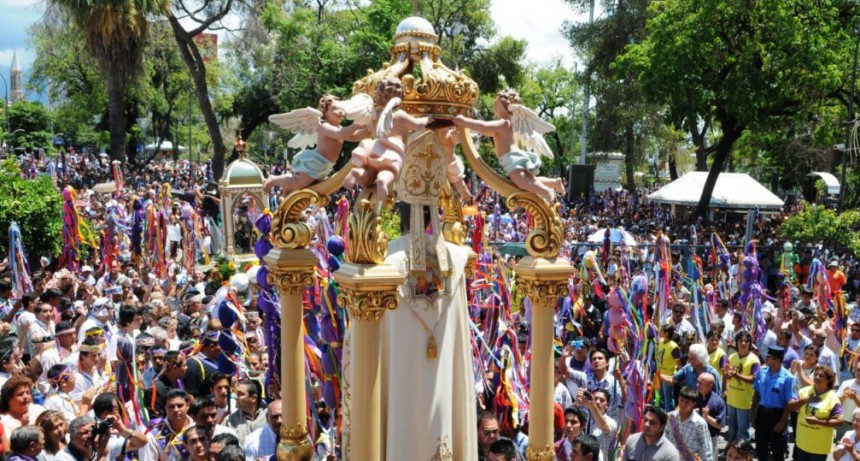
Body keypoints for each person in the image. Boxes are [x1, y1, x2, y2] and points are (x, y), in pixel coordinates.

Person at [452, 88, 564, 202]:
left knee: (523, 182)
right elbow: (482, 130)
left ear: (506, 105)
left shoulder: (503, 122)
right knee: (529, 180)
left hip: (512, 159)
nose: (493, 105)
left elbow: (484, 127)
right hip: (513, 157)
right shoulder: (510, 122)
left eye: (496, 103)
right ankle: (553, 183)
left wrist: (465, 121)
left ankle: (547, 192)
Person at [344, 75, 433, 203]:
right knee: (389, 171)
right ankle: (383, 181)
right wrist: (427, 118)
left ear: (378, 95)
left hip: (373, 149)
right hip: (391, 151)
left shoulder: (373, 116)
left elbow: (361, 133)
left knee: (369, 173)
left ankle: (356, 173)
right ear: (400, 96)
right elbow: (418, 125)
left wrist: (346, 135)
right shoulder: (399, 115)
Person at [264, 94, 367, 194]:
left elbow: (355, 137)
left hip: (325, 165)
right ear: (324, 112)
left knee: (306, 185)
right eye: (335, 108)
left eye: (341, 108)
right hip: (316, 162)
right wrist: (356, 125)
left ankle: (287, 189)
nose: (340, 111)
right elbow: (341, 134)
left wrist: (368, 128)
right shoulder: (324, 127)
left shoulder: (339, 127)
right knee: (297, 183)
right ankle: (273, 180)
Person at [788, 364, 843, 461]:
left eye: (821, 376)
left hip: (819, 448)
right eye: (816, 375)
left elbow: (839, 421)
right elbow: (790, 406)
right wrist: (806, 400)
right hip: (802, 443)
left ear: (828, 380)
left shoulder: (833, 398)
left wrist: (818, 421)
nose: (817, 377)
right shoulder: (804, 392)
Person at [750, 345, 796, 461]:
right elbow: (756, 392)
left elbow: (789, 403)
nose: (766, 358)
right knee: (760, 447)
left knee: (777, 450)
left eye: (769, 357)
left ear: (776, 359)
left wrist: (783, 421)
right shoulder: (762, 371)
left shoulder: (787, 378)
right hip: (762, 412)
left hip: (777, 415)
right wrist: (752, 411)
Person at [724, 330, 760, 442]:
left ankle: (743, 454)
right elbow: (727, 376)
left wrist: (737, 375)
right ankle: (731, 448)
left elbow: (753, 379)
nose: (743, 343)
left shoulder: (754, 360)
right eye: (741, 341)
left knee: (742, 431)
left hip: (745, 402)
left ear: (749, 343)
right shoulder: (732, 357)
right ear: (737, 342)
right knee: (732, 428)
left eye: (746, 341)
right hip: (732, 399)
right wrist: (726, 389)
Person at [139, 390, 193, 461]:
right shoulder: (152, 436)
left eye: (180, 406)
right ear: (165, 408)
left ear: (187, 406)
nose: (176, 409)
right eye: (171, 406)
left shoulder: (198, 428)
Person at [664, 386, 713, 461]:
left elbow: (706, 446)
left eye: (687, 402)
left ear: (693, 404)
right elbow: (664, 438)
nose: (683, 404)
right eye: (681, 400)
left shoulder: (699, 423)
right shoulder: (670, 417)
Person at [693, 372, 725, 461]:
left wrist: (706, 417)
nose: (697, 385)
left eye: (701, 383)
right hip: (693, 435)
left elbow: (720, 425)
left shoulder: (718, 402)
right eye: (697, 382)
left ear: (710, 385)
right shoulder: (692, 397)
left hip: (710, 438)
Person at [225, 380, 267, 445]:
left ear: (253, 398)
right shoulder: (230, 420)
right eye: (236, 394)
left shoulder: (269, 415)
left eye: (240, 394)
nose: (236, 397)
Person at [656, 324, 681, 411]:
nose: (659, 332)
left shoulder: (673, 346)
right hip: (660, 374)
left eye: (661, 330)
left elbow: (678, 362)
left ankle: (669, 415)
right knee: (660, 397)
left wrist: (680, 375)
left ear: (666, 333)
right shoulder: (661, 342)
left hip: (669, 375)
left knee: (668, 398)